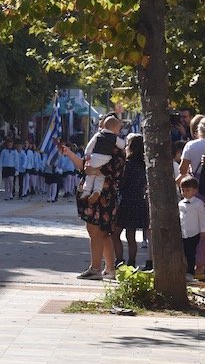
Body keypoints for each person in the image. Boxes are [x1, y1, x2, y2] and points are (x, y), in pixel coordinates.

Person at [59, 136, 124, 280]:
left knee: (97, 231)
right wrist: (69, 153)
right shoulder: (96, 145)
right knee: (101, 232)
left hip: (103, 196)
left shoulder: (117, 150)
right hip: (92, 196)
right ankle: (109, 269)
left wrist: (93, 172)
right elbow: (83, 166)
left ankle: (95, 269)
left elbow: (115, 172)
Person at [114, 133, 149, 268]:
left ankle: (119, 260)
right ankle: (132, 262)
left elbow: (122, 183)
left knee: (115, 233)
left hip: (126, 200)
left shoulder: (128, 164)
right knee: (131, 235)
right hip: (138, 200)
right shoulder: (143, 165)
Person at [82, 115, 126, 204]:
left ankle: (86, 192)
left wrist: (87, 154)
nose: (118, 131)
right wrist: (125, 141)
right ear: (114, 128)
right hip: (106, 159)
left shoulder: (98, 134)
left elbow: (90, 145)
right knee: (100, 177)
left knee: (89, 176)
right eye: (118, 129)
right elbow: (122, 144)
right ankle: (97, 191)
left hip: (94, 157)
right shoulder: (114, 137)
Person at [179, 177, 205, 282]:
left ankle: (190, 272)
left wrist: (203, 230)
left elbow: (203, 217)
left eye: (188, 190)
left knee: (191, 253)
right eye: (183, 190)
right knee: (184, 252)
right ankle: (183, 270)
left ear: (195, 190)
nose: (185, 192)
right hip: (184, 233)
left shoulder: (198, 203)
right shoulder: (180, 204)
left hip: (194, 232)